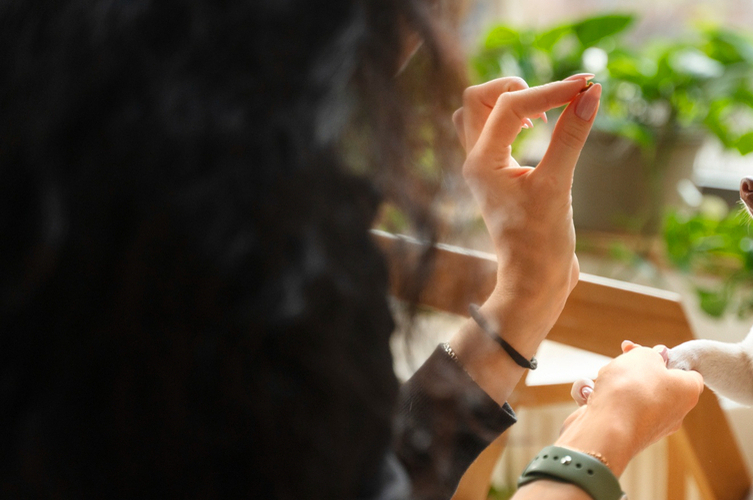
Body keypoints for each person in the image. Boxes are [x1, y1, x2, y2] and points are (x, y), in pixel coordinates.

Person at [0, 1, 705, 499]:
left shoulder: (82, 179)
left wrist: (529, 290)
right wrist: (600, 440)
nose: (420, 42)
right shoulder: (240, 255)